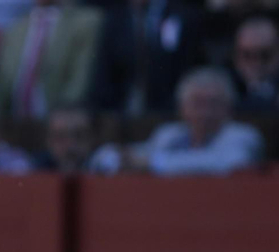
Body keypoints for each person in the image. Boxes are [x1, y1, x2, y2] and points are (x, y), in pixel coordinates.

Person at [125, 66, 264, 174]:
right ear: (182, 108)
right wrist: (121, 157)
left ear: (229, 108)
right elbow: (119, 157)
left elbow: (227, 163)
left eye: (213, 103)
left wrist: (154, 162)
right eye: (197, 104)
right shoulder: (169, 134)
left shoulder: (244, 136)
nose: (205, 112)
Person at [0, 0, 102, 118]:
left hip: (60, 123)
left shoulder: (85, 22)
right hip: (14, 122)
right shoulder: (15, 28)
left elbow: (79, 81)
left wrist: (62, 116)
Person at [91, 0, 205, 115]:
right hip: (121, 108)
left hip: (169, 109)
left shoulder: (183, 15)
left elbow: (186, 64)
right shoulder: (116, 17)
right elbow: (104, 69)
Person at [227, 15, 278, 111]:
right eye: (247, 55)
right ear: (235, 55)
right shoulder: (223, 86)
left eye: (265, 55)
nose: (256, 63)